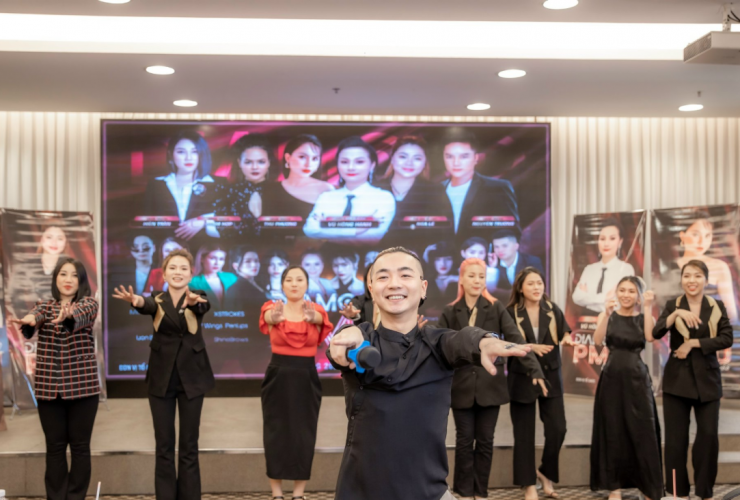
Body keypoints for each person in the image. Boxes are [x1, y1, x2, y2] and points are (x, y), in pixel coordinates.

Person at [326, 246, 531, 500]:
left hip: (428, 491)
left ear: (423, 288)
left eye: (405, 275)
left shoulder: (437, 343)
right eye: (383, 276)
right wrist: (345, 337)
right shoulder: (361, 340)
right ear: (371, 289)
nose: (394, 283)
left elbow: (462, 339)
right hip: (362, 490)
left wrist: (484, 341)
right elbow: (341, 347)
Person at [438, 258, 545, 500]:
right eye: (472, 276)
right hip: (461, 388)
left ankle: (481, 493)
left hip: (491, 387)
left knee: (486, 441)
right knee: (464, 441)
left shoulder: (496, 308)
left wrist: (535, 369)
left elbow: (515, 339)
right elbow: (441, 345)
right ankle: (464, 493)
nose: (477, 281)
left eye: (481, 276)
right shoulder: (450, 311)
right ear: (461, 279)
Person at [112, 249, 215, 500]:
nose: (178, 272)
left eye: (183, 268)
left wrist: (193, 302)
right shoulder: (156, 298)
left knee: (189, 446)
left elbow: (203, 306)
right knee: (164, 446)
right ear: (164, 274)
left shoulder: (199, 295)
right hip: (161, 378)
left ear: (191, 273)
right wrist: (136, 301)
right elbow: (146, 305)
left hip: (192, 378)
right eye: (173, 268)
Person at [9, 258, 100, 500]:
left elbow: (78, 316)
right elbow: (36, 315)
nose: (68, 279)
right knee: (55, 447)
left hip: (83, 389)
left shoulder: (89, 304)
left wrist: (67, 316)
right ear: (55, 279)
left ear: (81, 281)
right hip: (49, 390)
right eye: (63, 274)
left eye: (74, 275)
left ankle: (76, 497)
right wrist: (30, 319)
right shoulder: (44, 306)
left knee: (80, 447)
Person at [653, 259, 733, 500]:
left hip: (708, 380)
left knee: (708, 437)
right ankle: (677, 492)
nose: (692, 280)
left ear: (706, 280)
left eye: (698, 276)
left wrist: (694, 343)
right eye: (687, 275)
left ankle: (704, 492)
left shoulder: (716, 306)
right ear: (681, 279)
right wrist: (676, 314)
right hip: (677, 381)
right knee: (675, 441)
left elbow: (726, 338)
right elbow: (657, 332)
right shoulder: (673, 305)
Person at [259, 266, 334, 500]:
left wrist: (314, 318)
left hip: (306, 375)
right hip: (278, 375)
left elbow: (321, 321)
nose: (294, 284)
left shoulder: (316, 310)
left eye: (299, 279)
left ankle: (299, 493)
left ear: (307, 284)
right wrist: (275, 318)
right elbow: (268, 318)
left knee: (304, 433)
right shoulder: (272, 307)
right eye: (289, 280)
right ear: (282, 285)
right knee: (275, 432)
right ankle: (276, 493)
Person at [590, 277, 663, 500]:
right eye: (622, 290)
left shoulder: (645, 317)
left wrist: (648, 307)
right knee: (612, 430)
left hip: (637, 379)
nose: (626, 295)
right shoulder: (607, 315)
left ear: (638, 295)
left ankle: (647, 487)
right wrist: (606, 314)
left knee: (643, 431)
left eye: (631, 291)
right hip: (612, 378)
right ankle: (615, 488)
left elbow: (650, 337)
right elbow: (597, 341)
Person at [506, 267, 575, 500]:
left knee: (558, 428)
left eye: (539, 283)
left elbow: (565, 332)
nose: (536, 287)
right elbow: (507, 344)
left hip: (551, 376)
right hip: (522, 377)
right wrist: (529, 348)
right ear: (520, 288)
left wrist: (567, 339)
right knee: (524, 435)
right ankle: (528, 485)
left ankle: (546, 473)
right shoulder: (510, 313)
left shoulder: (552, 309)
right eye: (531, 283)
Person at [304, 136, 396, 244]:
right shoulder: (326, 197)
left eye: (359, 162)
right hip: (328, 253)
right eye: (344, 162)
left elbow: (371, 239)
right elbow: (310, 230)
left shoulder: (383, 198)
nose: (351, 167)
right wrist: (356, 230)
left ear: (372, 165)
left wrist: (327, 229)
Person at [374, 136, 453, 243]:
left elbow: (445, 233)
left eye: (417, 158)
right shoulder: (373, 189)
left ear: (424, 163)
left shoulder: (435, 192)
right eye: (403, 156)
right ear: (392, 158)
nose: (409, 163)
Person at [440, 130, 519, 237]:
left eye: (464, 156)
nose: (456, 163)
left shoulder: (497, 188)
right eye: (449, 156)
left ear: (476, 158)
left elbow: (510, 230)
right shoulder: (436, 190)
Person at [143, 130, 219, 241]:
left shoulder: (217, 184)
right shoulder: (155, 185)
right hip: (166, 248)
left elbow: (230, 221)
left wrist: (205, 221)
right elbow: (145, 223)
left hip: (207, 249)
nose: (188, 158)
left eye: (194, 152)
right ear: (171, 155)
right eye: (181, 152)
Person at [261, 134, 334, 231]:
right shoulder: (270, 189)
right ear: (288, 158)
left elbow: (331, 228)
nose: (309, 164)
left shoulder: (326, 190)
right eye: (302, 157)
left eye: (314, 159)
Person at [673, 215, 738, 323]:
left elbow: (731, 315)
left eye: (707, 235)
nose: (702, 241)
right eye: (695, 234)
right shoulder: (669, 268)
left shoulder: (719, 267)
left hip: (713, 331)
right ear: (682, 235)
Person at [210, 134, 275, 238]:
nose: (255, 167)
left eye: (261, 162)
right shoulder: (225, 192)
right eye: (248, 162)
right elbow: (224, 230)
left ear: (269, 163)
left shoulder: (282, 191)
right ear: (239, 163)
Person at [572, 218, 635, 314]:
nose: (606, 244)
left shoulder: (626, 269)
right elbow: (576, 297)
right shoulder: (589, 269)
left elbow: (618, 302)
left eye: (612, 238)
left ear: (620, 242)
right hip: (588, 319)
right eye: (602, 239)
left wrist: (588, 297)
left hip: (614, 319)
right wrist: (605, 297)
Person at [485, 228, 544, 295]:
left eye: (504, 246)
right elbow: (490, 291)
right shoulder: (492, 264)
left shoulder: (532, 261)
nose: (500, 250)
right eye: (496, 247)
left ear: (516, 246)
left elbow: (538, 288)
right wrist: (492, 269)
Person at [189, 244, 238, 308]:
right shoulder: (192, 282)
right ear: (202, 259)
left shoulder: (231, 278)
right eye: (213, 258)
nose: (217, 263)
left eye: (221, 259)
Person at [423, 242, 459, 315]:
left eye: (448, 259)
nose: (443, 263)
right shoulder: (427, 281)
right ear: (433, 261)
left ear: (454, 260)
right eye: (438, 259)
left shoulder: (459, 279)